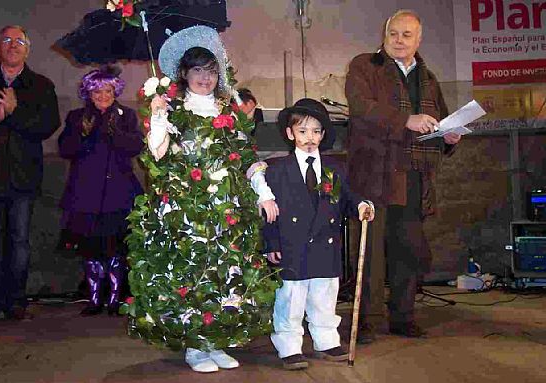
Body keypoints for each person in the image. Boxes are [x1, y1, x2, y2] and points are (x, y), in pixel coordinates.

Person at [127, 25, 279, 373]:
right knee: (193, 272)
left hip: (226, 207)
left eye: (210, 71)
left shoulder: (230, 115)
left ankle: (217, 339)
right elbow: (157, 154)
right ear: (184, 73)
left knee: (226, 271)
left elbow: (246, 157)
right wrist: (158, 116)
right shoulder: (175, 110)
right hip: (186, 207)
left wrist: (264, 194)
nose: (204, 78)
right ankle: (196, 345)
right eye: (197, 70)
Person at [344, 9, 461, 341]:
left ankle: (403, 317)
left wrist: (448, 135)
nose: (399, 40)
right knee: (370, 250)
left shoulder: (429, 78)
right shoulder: (363, 66)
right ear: (384, 34)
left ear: (418, 40)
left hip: (413, 174)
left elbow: (438, 117)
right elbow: (361, 107)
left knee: (408, 248)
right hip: (374, 172)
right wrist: (405, 120)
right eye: (393, 33)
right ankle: (366, 321)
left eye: (406, 35)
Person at [262, 98, 374, 370]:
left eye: (315, 131)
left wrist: (361, 205)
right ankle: (289, 345)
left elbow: (346, 198)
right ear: (290, 134)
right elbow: (268, 212)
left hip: (325, 244)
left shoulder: (333, 170)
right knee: (291, 299)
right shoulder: (277, 171)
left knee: (324, 297)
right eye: (302, 131)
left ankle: (326, 339)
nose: (309, 138)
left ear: (323, 135)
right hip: (291, 245)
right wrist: (271, 243)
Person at [0, 25, 60, 324]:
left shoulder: (41, 85)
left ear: (27, 49)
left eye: (19, 41)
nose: (12, 45)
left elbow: (48, 124)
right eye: (6, 40)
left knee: (19, 241)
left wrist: (15, 112)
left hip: (23, 176)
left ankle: (15, 302)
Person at [58, 65, 143, 316]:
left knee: (117, 249)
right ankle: (94, 299)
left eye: (108, 90)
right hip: (86, 196)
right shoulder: (76, 116)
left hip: (118, 194)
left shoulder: (126, 115)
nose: (103, 96)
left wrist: (115, 131)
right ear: (88, 94)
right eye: (97, 92)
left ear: (115, 91)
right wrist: (83, 133)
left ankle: (116, 300)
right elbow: (65, 149)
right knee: (92, 250)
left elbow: (135, 146)